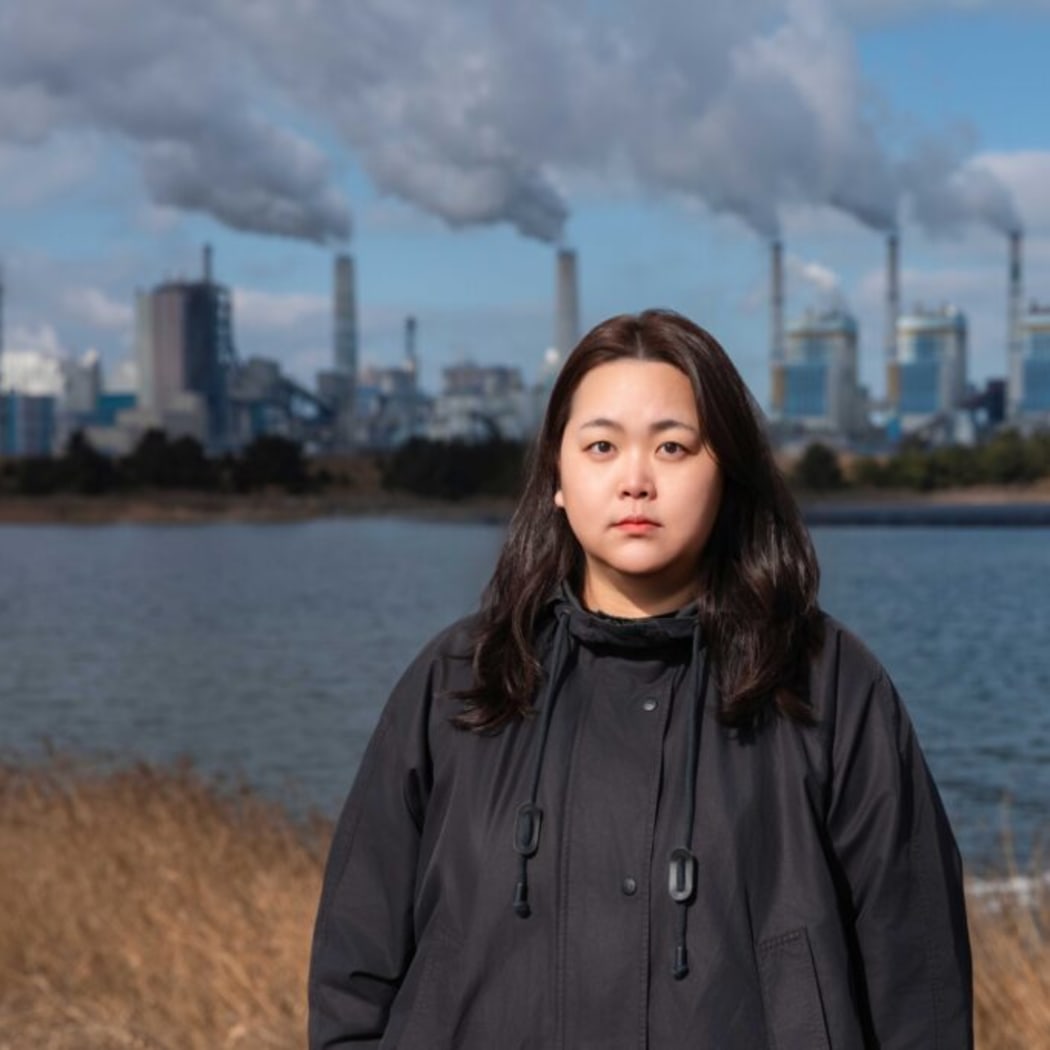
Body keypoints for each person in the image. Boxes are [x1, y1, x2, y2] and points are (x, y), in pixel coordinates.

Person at [308, 309, 973, 1049]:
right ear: (557, 477)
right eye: (600, 446)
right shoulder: (461, 680)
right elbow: (352, 974)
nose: (635, 480)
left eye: (673, 446)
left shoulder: (826, 684)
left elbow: (921, 986)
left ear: (728, 474)